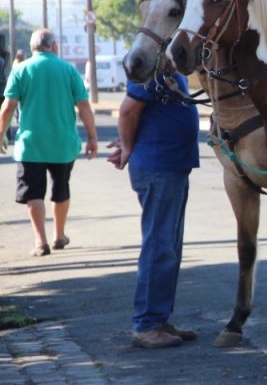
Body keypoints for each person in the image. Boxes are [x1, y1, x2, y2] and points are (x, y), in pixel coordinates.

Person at [106, 69, 200, 349]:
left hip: (172, 166)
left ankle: (159, 319)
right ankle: (147, 324)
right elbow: (127, 112)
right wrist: (127, 146)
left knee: (169, 247)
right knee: (159, 246)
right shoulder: (151, 68)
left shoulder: (171, 68)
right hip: (159, 167)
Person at [0, 29, 97, 257]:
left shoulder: (20, 69)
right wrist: (92, 137)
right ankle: (58, 235)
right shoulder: (68, 70)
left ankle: (40, 241)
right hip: (63, 145)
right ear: (54, 47)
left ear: (33, 48)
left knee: (33, 193)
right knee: (60, 189)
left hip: (30, 145)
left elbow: (8, 107)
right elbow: (83, 106)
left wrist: (1, 133)